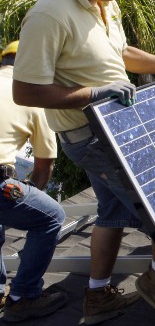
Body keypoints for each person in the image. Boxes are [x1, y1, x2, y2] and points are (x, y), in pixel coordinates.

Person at [11, 0, 155, 324]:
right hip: (90, 135)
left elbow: (121, 52)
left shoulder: (103, 3)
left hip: (118, 127)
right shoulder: (50, 15)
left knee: (112, 212)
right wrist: (94, 95)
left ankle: (97, 297)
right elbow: (25, 90)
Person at [0, 41, 68, 322]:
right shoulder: (31, 98)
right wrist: (30, 195)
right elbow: (43, 166)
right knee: (52, 215)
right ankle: (23, 297)